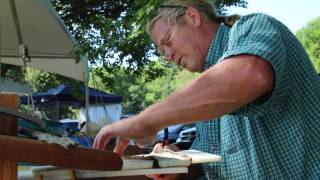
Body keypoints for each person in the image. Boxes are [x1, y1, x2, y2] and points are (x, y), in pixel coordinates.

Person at [93, 0, 320, 179]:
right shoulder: (205, 101)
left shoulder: (254, 25)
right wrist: (173, 161)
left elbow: (251, 74)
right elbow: (210, 164)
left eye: (168, 41)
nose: (169, 56)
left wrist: (145, 121)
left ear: (193, 16)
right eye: (163, 54)